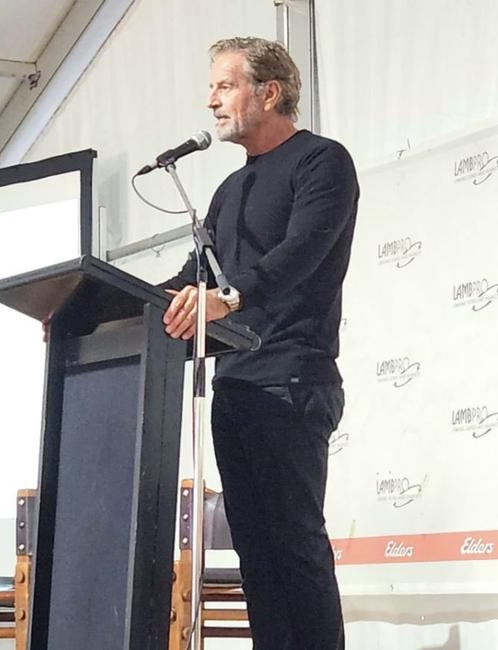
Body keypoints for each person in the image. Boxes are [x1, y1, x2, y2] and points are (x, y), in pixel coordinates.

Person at [161, 37, 359, 649]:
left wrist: (232, 298)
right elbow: (193, 279)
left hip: (292, 382)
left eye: (224, 85)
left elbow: (300, 255)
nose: (211, 99)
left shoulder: (321, 162)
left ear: (268, 92)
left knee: (295, 545)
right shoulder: (227, 193)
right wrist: (94, 312)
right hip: (237, 386)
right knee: (255, 555)